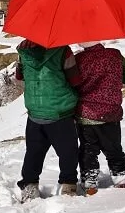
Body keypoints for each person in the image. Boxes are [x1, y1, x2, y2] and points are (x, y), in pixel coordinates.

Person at [16, 39, 81, 202]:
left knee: (33, 152)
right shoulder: (63, 50)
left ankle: (30, 186)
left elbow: (19, 77)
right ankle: (68, 185)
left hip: (35, 111)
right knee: (68, 151)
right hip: (60, 112)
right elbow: (75, 80)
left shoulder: (23, 51)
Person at [74, 41, 125, 195]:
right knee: (114, 148)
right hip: (111, 114)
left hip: (86, 114)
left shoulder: (78, 60)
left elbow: (72, 84)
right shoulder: (115, 55)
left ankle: (90, 180)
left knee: (88, 149)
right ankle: (120, 176)